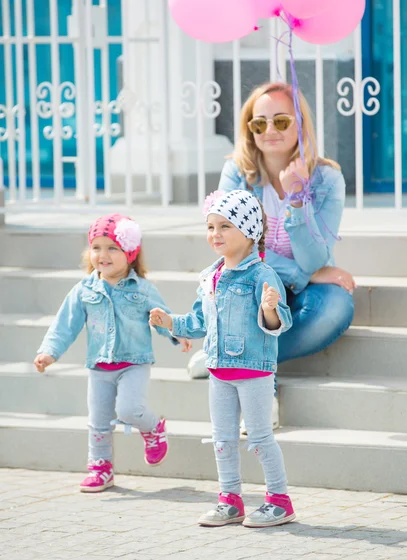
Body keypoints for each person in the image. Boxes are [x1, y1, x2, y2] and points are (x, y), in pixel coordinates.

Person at [150, 190, 295, 528]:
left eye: (225, 226)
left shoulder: (262, 276)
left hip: (254, 371)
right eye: (211, 227)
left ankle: (279, 500)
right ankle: (230, 499)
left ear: (249, 231)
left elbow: (279, 324)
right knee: (223, 439)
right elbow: (199, 322)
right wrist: (170, 322)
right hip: (218, 371)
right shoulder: (210, 277)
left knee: (259, 439)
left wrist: (269, 308)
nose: (215, 234)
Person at [216, 82, 355, 427]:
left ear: (301, 125)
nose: (270, 131)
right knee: (244, 287)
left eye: (281, 121)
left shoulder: (326, 178)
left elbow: (314, 258)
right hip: (251, 286)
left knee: (335, 307)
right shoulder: (237, 173)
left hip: (304, 289)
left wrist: (296, 200)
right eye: (259, 123)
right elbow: (233, 250)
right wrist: (301, 273)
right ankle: (262, 394)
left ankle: (231, 354)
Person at [33, 213, 191, 493]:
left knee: (129, 410)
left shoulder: (142, 289)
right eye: (96, 247)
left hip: (134, 363)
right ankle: (100, 468)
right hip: (99, 366)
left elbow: (161, 316)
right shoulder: (84, 290)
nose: (102, 255)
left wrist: (176, 334)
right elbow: (64, 325)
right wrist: (49, 352)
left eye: (111, 248)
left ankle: (153, 428)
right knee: (99, 421)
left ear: (130, 253)